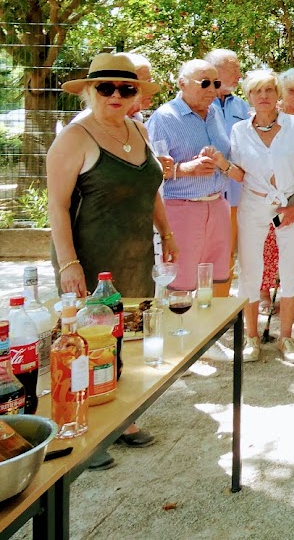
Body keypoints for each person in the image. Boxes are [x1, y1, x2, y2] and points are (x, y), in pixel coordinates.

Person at [48, 53, 171, 466]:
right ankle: (79, 431)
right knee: (84, 344)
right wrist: (68, 265)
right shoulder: (74, 137)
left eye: (126, 88)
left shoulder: (137, 129)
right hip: (89, 259)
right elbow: (57, 207)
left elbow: (150, 186)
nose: (116, 95)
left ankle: (119, 421)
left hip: (134, 254)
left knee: (121, 343)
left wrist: (166, 232)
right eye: (106, 88)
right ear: (88, 90)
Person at [229, 69, 294, 364]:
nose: (263, 96)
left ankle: (286, 338)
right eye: (256, 91)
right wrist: (219, 164)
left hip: (289, 205)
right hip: (253, 204)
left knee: (290, 268)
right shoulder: (239, 130)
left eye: (269, 90)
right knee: (250, 269)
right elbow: (238, 173)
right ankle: (252, 338)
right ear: (248, 96)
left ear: (278, 94)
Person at [147, 59, 237, 293]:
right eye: (204, 83)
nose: (211, 90)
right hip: (181, 210)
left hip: (217, 206)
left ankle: (213, 329)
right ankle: (179, 328)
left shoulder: (215, 111)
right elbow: (149, 171)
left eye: (216, 83)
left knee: (214, 282)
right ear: (182, 84)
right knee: (180, 286)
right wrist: (185, 169)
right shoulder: (163, 118)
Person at [206, 48, 248, 297]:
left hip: (235, 194)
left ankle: (220, 303)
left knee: (228, 252)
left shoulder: (242, 106)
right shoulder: (199, 102)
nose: (239, 76)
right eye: (234, 70)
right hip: (203, 194)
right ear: (216, 71)